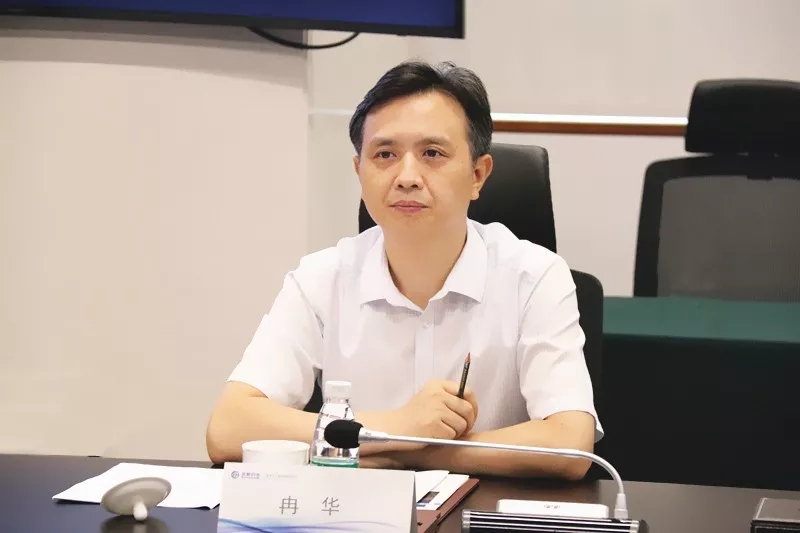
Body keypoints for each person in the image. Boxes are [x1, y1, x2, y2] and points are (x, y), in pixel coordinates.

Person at [206, 60, 602, 479]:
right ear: (359, 172)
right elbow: (229, 427)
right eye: (385, 155)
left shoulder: (535, 277)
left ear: (477, 175)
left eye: (432, 153)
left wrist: (413, 452)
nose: (407, 176)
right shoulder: (322, 277)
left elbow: (569, 444)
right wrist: (397, 428)